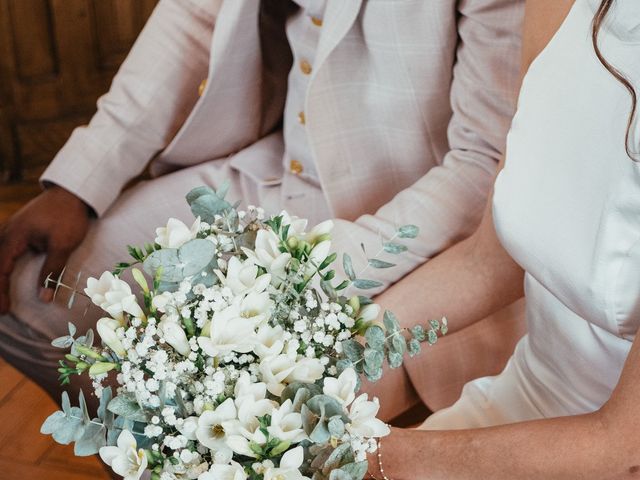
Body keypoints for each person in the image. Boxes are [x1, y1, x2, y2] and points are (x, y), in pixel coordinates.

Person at [0, 0, 525, 418]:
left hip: (413, 229)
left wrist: (303, 277)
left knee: (238, 390)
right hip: (276, 170)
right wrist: (78, 183)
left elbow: (483, 165)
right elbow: (193, 16)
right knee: (31, 297)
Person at [363, 0, 640, 477]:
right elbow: (487, 262)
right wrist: (320, 350)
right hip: (519, 400)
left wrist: (370, 456)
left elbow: (622, 445)